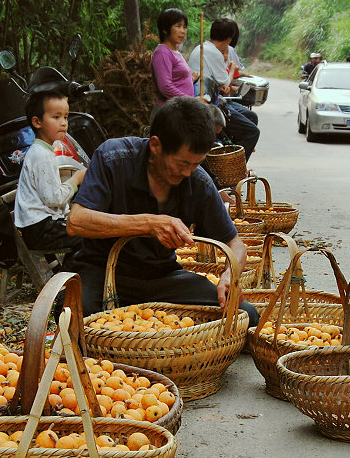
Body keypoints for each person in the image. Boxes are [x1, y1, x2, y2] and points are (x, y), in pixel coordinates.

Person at [66, 96, 259, 329]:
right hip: (103, 272)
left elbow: (235, 244)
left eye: (196, 164)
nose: (188, 172)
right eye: (182, 163)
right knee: (75, 318)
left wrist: (231, 275)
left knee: (246, 315)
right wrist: (149, 223)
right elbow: (77, 221)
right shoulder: (112, 158)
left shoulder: (199, 182)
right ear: (155, 145)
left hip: (161, 277)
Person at [13, 88, 86, 259]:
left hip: (40, 226)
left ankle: (69, 277)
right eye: (56, 117)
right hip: (40, 229)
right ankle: (67, 280)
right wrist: (76, 180)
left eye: (65, 117)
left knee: (85, 231)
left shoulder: (45, 150)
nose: (63, 123)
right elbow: (54, 199)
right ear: (37, 122)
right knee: (87, 236)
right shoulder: (41, 155)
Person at [188, 18, 260, 159]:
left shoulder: (202, 47)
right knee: (252, 132)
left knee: (251, 116)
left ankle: (231, 151)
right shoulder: (214, 52)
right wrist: (233, 68)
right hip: (210, 104)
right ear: (228, 39)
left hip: (212, 96)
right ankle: (233, 167)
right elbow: (226, 82)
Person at [151, 8, 199, 107]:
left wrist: (191, 78)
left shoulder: (176, 52)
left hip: (180, 109)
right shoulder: (163, 53)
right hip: (169, 112)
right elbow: (166, 87)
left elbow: (178, 79)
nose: (183, 31)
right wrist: (191, 101)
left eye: (185, 27)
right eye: (178, 26)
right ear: (165, 29)